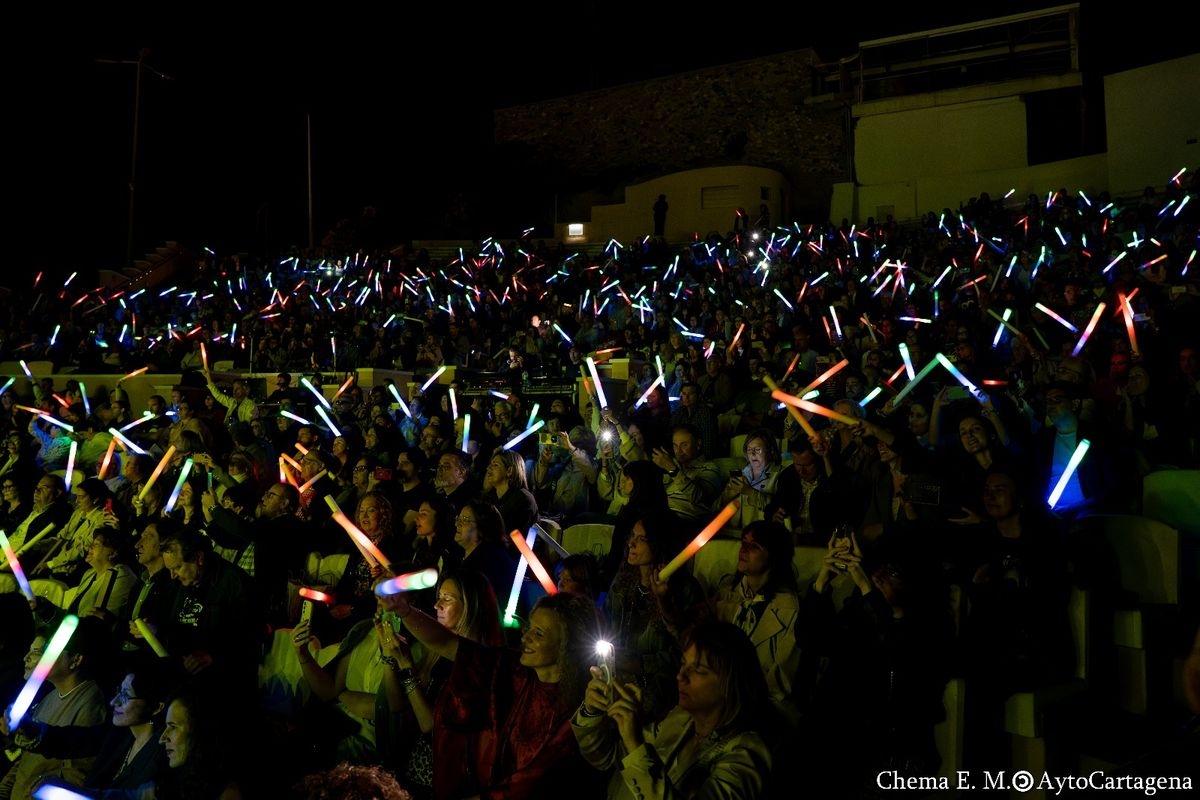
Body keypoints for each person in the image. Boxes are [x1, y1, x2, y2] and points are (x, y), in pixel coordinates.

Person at [379, 589, 601, 799]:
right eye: (529, 627)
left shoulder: (578, 709)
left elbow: (526, 786)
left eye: (539, 633)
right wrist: (404, 610)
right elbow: (449, 644)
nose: (526, 637)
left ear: (568, 645)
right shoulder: (511, 669)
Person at [572, 620, 775, 800]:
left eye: (698, 671)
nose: (680, 676)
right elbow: (606, 759)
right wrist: (594, 712)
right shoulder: (681, 718)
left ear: (732, 683)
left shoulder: (747, 755)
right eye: (683, 664)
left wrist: (635, 743)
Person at [376, 569, 504, 799]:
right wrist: (389, 658)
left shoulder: (479, 664)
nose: (436, 605)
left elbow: (431, 728)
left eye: (447, 598)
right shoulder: (434, 653)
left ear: (471, 606)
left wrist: (406, 666)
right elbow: (397, 707)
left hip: (438, 782)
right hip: (409, 771)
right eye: (438, 596)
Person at [605, 512, 705, 721]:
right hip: (616, 671)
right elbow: (606, 624)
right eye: (632, 536)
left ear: (660, 544)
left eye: (641, 539)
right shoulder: (623, 581)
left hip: (659, 683)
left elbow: (685, 652)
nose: (631, 544)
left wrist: (663, 601)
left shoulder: (685, 590)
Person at [710, 520, 802, 724]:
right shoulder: (728, 593)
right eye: (743, 543)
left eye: (754, 546)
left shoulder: (790, 610)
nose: (744, 550)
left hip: (763, 708)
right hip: (722, 697)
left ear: (773, 557)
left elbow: (781, 682)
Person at [481, 451, 538, 537]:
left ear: (509, 470)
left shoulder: (524, 499)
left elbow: (520, 537)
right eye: (490, 464)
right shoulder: (489, 497)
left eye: (495, 465)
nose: (488, 468)